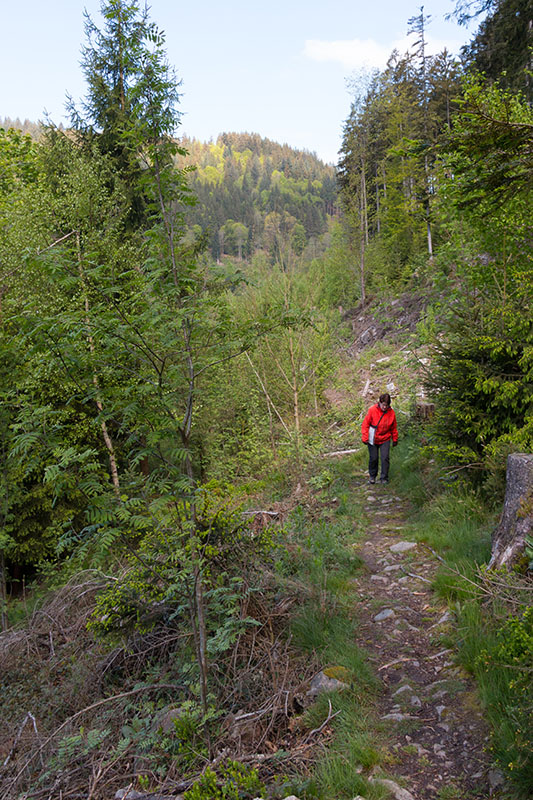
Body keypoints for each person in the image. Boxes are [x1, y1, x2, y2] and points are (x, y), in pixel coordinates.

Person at [361, 392, 398, 484]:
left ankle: (384, 478)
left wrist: (395, 439)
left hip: (385, 438)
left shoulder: (391, 413)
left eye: (387, 405)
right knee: (374, 458)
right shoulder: (372, 410)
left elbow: (394, 427)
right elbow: (365, 424)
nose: (385, 407)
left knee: (385, 458)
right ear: (380, 402)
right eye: (383, 405)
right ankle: (372, 476)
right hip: (372, 438)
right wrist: (365, 437)